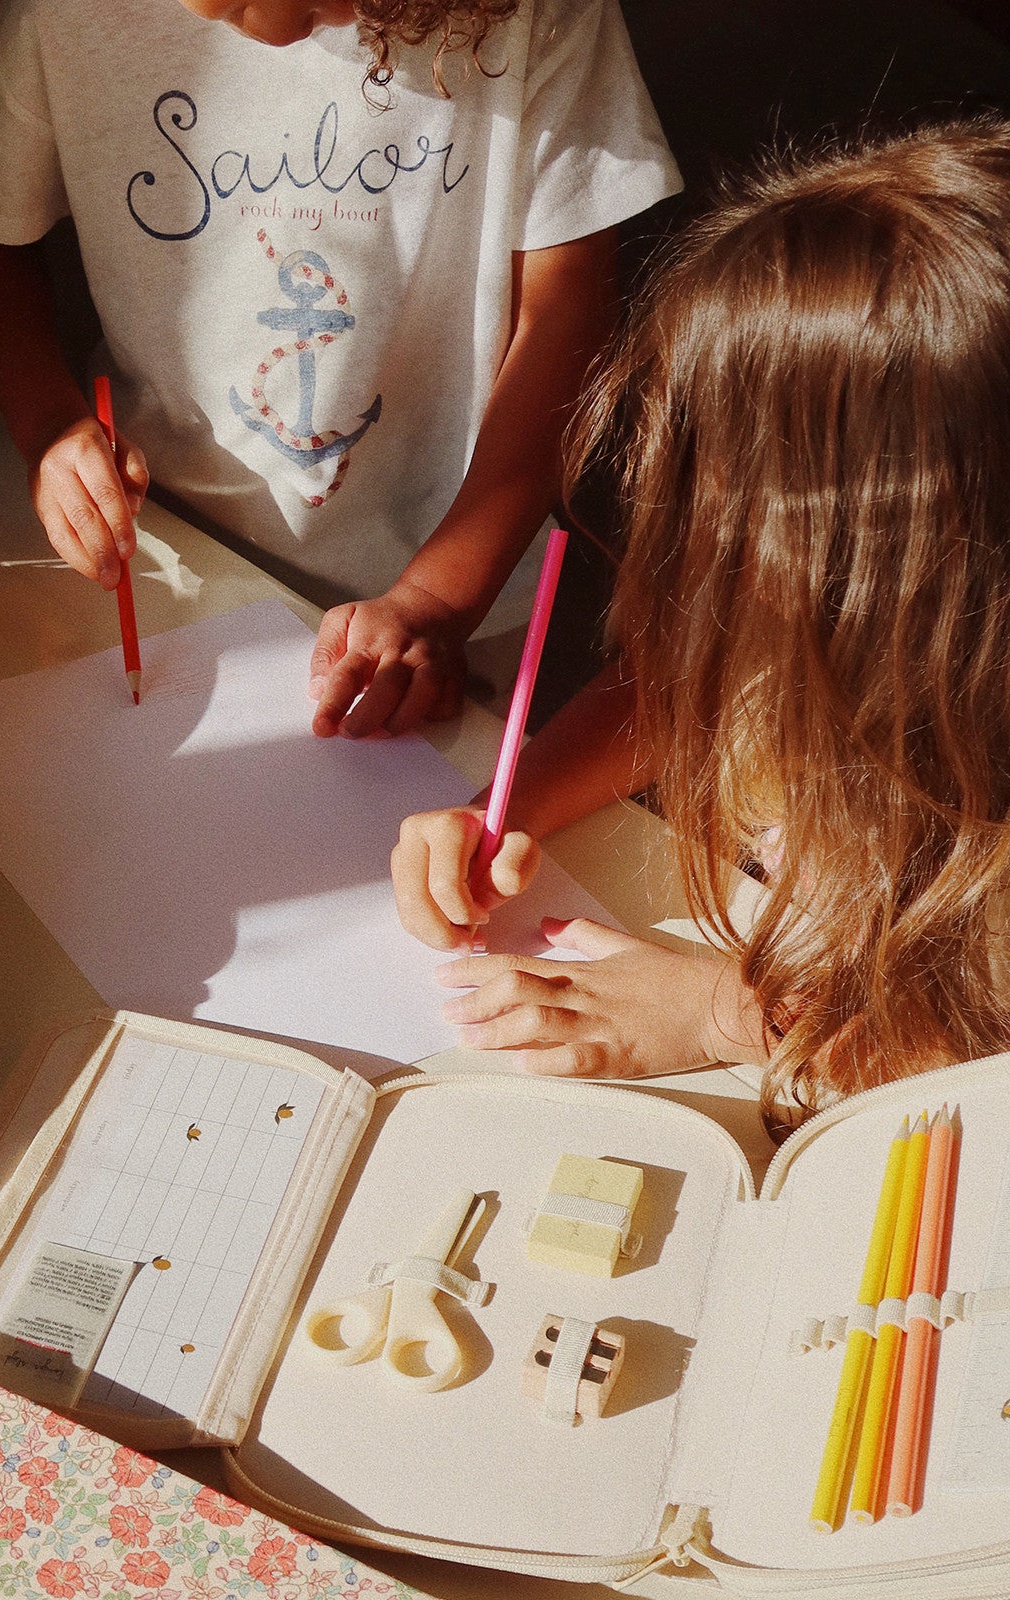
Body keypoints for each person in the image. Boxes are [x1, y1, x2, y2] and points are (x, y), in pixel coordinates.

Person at [391, 120, 1010, 1130]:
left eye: (730, 507)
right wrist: (510, 803)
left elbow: (975, 1057)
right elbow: (688, 683)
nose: (690, 548)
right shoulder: (815, 624)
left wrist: (724, 1013)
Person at [0, 0, 679, 735]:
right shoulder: (56, 17)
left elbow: (569, 318)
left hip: (458, 600)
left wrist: (437, 599)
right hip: (163, 564)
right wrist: (49, 426)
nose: (288, 27)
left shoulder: (538, 13)